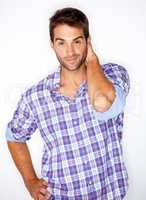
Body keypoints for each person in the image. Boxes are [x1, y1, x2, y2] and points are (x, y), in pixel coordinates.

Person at [6, 7, 130, 200]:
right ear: (52, 45)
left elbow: (102, 103)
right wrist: (30, 181)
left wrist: (92, 59)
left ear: (88, 42)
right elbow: (14, 138)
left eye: (77, 42)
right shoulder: (35, 97)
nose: (70, 52)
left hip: (109, 194)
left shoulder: (113, 76)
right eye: (61, 43)